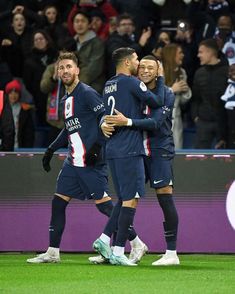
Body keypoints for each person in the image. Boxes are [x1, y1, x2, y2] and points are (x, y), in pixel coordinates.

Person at [26, 51, 115, 264]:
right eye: (61, 67)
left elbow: (105, 118)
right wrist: (50, 150)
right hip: (72, 163)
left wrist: (96, 147)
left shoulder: (87, 93)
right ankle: (53, 252)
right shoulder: (66, 98)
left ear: (77, 70)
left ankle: (137, 242)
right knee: (58, 203)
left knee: (105, 207)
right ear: (57, 73)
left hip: (90, 162)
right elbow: (69, 129)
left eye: (68, 67)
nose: (65, 70)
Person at [103, 55, 180, 266]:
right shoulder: (135, 90)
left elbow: (155, 123)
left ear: (158, 72)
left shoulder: (167, 93)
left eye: (151, 68)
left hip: (159, 151)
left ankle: (171, 253)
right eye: (142, 66)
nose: (145, 70)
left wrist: (125, 121)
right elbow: (110, 110)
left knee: (165, 198)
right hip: (136, 150)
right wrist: (104, 122)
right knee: (127, 198)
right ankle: (124, 247)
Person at [92, 47, 164, 266]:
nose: (139, 64)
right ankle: (117, 250)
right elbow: (157, 101)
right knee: (130, 199)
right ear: (126, 63)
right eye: (136, 60)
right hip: (130, 148)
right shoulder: (131, 82)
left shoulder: (108, 84)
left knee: (124, 198)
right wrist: (160, 79)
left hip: (112, 149)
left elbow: (105, 113)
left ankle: (105, 240)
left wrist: (103, 123)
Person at [191, 38, 228, 149]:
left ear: (210, 53)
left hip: (224, 124)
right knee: (199, 159)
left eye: (201, 52)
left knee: (226, 161)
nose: (198, 55)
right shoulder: (199, 73)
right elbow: (195, 98)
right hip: (203, 122)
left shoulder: (227, 71)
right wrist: (195, 116)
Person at [161, 43, 192, 149]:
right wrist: (171, 90)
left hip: (176, 120)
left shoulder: (182, 72)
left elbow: (182, 101)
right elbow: (152, 96)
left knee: (177, 154)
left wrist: (186, 91)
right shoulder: (157, 71)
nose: (182, 55)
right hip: (160, 120)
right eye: (180, 53)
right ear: (171, 55)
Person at [5, 79, 35, 148]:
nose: (13, 95)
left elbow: (29, 133)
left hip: (19, 147)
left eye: (16, 92)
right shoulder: (2, 108)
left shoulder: (25, 110)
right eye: (11, 92)